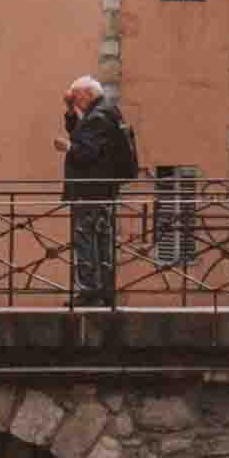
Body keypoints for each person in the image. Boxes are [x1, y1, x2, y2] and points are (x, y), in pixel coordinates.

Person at [59, 74, 139, 309]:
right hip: (103, 190)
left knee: (86, 239)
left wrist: (67, 147)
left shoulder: (98, 116)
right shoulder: (106, 111)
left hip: (89, 190)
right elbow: (83, 135)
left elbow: (85, 152)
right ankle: (105, 290)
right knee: (103, 240)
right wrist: (70, 111)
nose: (75, 100)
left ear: (87, 94)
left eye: (76, 97)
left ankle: (89, 291)